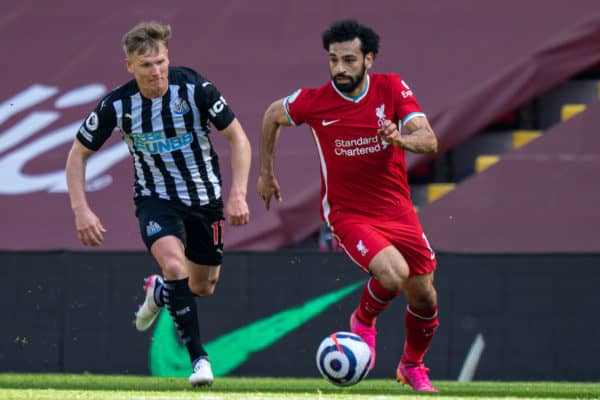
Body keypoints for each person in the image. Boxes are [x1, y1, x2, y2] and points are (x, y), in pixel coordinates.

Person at [257, 19, 440, 392]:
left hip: (398, 210)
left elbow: (429, 139)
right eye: (334, 60)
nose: (340, 68)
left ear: (368, 60)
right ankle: (363, 320)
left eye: (349, 60)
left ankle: (412, 365)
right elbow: (271, 115)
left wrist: (401, 139)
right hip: (348, 213)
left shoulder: (391, 87)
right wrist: (266, 174)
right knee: (393, 274)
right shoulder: (314, 100)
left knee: (424, 295)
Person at [66, 21, 251, 387]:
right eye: (147, 65)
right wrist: (81, 209)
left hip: (204, 197)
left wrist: (238, 192)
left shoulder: (195, 88)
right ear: (130, 66)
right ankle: (199, 360)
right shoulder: (117, 105)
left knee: (203, 285)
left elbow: (238, 138)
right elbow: (77, 155)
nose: (157, 72)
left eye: (161, 62)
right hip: (156, 198)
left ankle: (160, 291)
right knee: (173, 262)